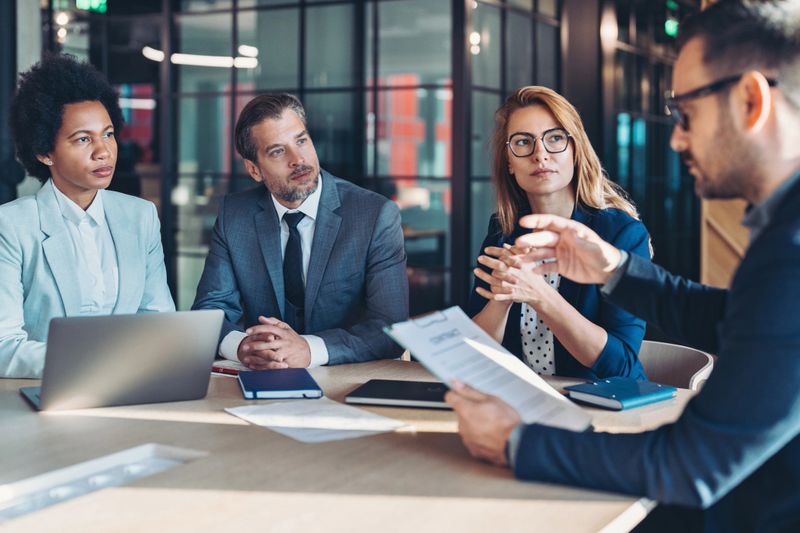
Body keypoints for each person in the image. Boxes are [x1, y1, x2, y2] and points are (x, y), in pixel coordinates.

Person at [446, 1, 800, 531]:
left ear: (751, 100)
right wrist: (613, 269)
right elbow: (734, 318)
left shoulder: (790, 249)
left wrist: (515, 441)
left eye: (688, 113)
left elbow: (692, 464)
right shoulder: (781, 230)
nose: (676, 137)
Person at [192, 93, 408, 369]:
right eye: (278, 151)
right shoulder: (235, 216)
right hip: (265, 375)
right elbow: (210, 312)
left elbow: (391, 327)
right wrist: (242, 346)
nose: (298, 159)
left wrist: (309, 350)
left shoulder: (374, 215)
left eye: (301, 140)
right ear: (254, 170)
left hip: (348, 379)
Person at [0, 54, 175, 378]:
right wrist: (95, 361)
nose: (103, 151)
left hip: (130, 389)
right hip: (41, 395)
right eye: (83, 139)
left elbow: (157, 320)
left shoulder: (141, 216)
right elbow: (3, 346)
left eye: (108, 134)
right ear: (44, 151)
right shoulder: (11, 226)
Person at [468, 86, 651, 380]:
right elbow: (473, 357)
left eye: (555, 138)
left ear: (575, 151)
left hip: (604, 407)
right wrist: (501, 298)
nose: (540, 155)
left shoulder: (622, 235)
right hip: (523, 402)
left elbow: (621, 365)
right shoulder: (501, 232)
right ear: (509, 163)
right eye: (523, 142)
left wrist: (539, 294)